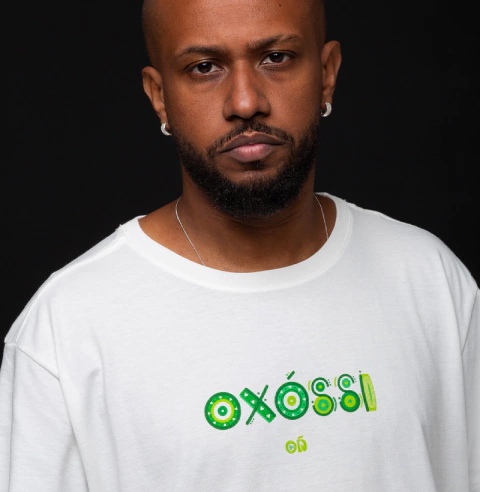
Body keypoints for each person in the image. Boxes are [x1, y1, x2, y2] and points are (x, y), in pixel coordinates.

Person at [1, 0, 478, 490]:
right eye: (204, 67)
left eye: (276, 58)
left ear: (327, 73)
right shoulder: (67, 326)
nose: (246, 102)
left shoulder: (429, 279)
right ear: (160, 97)